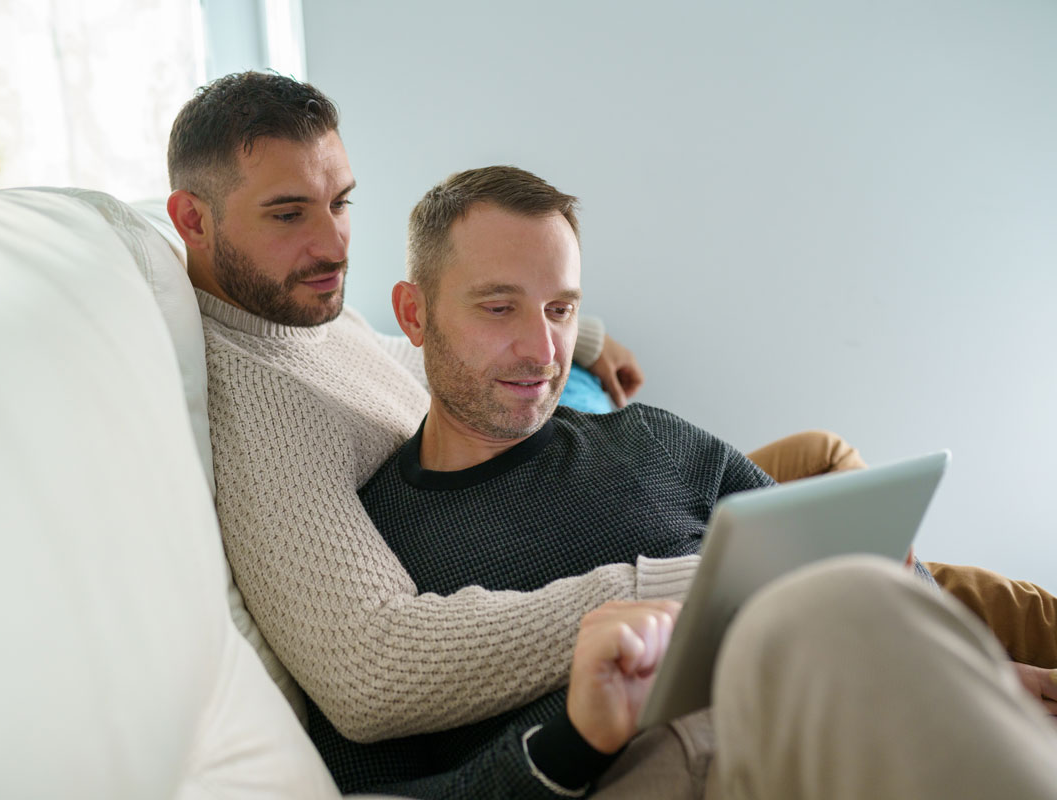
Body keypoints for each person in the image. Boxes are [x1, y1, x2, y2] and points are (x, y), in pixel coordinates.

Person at [163, 70, 1055, 782]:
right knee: (824, 570)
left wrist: (568, 332)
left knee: (846, 512)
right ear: (192, 220)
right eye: (289, 213)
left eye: (342, 202)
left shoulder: (307, 311)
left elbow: (427, 341)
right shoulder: (253, 408)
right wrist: (676, 593)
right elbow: (374, 675)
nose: (332, 243)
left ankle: (974, 656)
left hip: (558, 471)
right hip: (575, 591)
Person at [342, 164, 1057, 797]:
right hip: (651, 764)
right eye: (499, 308)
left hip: (813, 707)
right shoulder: (381, 544)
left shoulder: (650, 438)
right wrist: (575, 739)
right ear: (414, 313)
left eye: (561, 309)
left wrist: (972, 669)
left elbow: (848, 555)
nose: (543, 349)